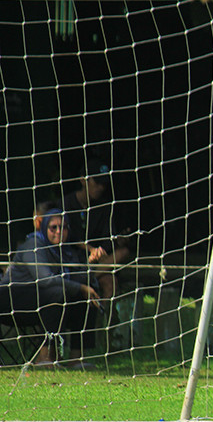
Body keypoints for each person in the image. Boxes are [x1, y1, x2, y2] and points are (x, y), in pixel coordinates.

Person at [0, 208, 102, 368]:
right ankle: (45, 357)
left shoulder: (64, 251)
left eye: (64, 227)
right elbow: (45, 279)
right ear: (44, 227)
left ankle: (76, 358)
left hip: (42, 302)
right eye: (53, 227)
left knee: (85, 296)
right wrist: (81, 287)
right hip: (11, 300)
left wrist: (90, 264)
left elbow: (75, 279)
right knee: (58, 293)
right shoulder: (33, 245)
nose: (59, 231)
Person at [61, 157, 134, 305]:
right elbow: (64, 236)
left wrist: (112, 244)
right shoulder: (66, 203)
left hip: (97, 261)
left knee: (112, 280)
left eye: (104, 184)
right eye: (97, 182)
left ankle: (103, 317)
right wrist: (89, 249)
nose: (101, 187)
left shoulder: (105, 207)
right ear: (83, 180)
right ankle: (84, 278)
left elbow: (108, 237)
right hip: (71, 260)